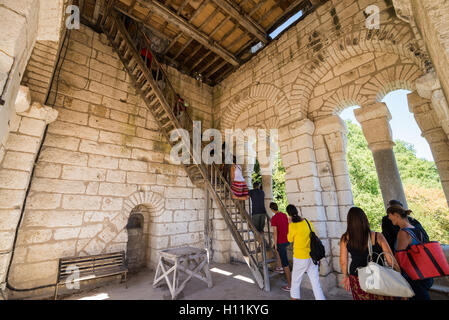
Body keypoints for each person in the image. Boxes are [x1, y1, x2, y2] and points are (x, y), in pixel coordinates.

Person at [340, 207, 401, 300]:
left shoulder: (345, 238)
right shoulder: (378, 236)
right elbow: (390, 259)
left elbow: (343, 261)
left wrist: (346, 276)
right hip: (378, 275)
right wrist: (398, 275)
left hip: (356, 276)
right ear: (364, 219)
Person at [387, 205, 433, 300]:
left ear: (396, 215)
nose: (388, 218)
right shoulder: (415, 229)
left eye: (389, 215)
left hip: (412, 277)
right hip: (423, 274)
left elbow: (399, 257)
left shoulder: (403, 233)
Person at [286, 205, 326, 300]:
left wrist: (289, 224)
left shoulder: (293, 225)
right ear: (297, 211)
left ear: (289, 214)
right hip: (312, 257)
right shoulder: (307, 221)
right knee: (316, 283)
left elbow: (289, 239)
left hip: (300, 257)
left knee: (295, 282)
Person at [269, 202, 291, 291]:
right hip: (287, 240)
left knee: (285, 262)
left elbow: (275, 233)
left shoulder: (274, 218)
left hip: (281, 241)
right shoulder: (284, 215)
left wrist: (276, 243)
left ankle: (289, 285)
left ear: (271, 209)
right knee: (277, 250)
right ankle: (279, 267)